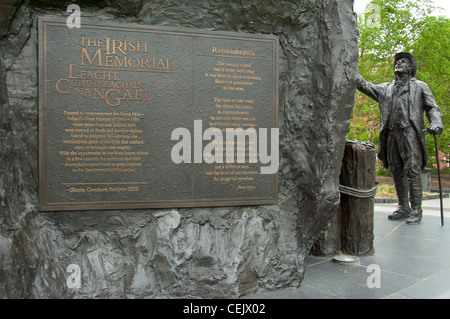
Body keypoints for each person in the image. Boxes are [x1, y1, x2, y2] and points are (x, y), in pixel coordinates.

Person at [355, 52, 443, 224]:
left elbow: (432, 108)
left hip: (410, 133)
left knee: (412, 170)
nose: (398, 63)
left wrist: (436, 124)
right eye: (397, 62)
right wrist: (350, 67)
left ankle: (416, 210)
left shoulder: (420, 86)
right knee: (396, 170)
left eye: (403, 62)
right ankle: (403, 207)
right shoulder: (386, 88)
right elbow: (363, 85)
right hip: (391, 134)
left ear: (410, 68)